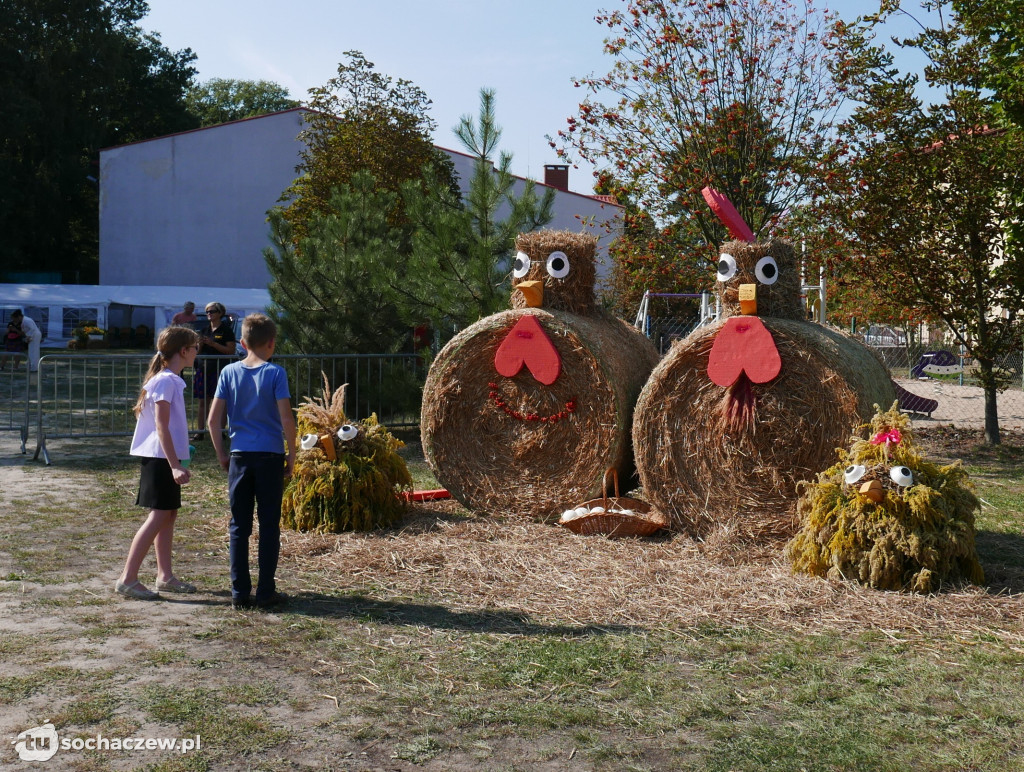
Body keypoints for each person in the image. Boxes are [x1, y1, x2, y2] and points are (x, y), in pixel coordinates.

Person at [208, 313, 296, 610]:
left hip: (240, 456)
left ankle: (239, 593)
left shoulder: (228, 373)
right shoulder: (275, 373)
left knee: (239, 526)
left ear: (242, 342)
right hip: (270, 456)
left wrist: (222, 453)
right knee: (269, 525)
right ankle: (266, 592)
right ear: (271, 343)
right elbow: (287, 418)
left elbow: (212, 420)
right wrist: (292, 455)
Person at [115, 325, 201, 600]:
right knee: (159, 516)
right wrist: (174, 464)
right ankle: (128, 579)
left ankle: (165, 576)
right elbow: (161, 426)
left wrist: (178, 458)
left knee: (168, 514)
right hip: (159, 458)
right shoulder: (165, 381)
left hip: (166, 457)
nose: (198, 352)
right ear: (184, 351)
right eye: (195, 347)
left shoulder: (171, 379)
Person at [192, 302, 236, 441]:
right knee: (202, 401)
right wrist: (200, 345)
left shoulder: (226, 330)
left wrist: (213, 344)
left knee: (220, 402)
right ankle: (200, 432)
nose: (209, 314)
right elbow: (197, 352)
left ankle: (221, 431)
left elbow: (231, 351)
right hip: (203, 368)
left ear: (220, 313)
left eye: (212, 311)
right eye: (207, 312)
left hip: (220, 370)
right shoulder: (205, 330)